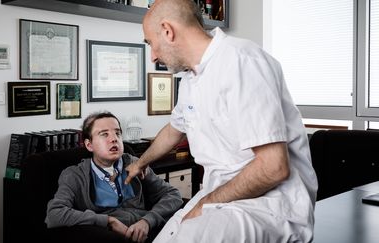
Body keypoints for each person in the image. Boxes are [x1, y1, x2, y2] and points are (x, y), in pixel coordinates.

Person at [125, 0, 318, 242]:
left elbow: (273, 168)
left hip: (270, 205)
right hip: (221, 196)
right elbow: (175, 130)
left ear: (167, 31)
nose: (153, 56)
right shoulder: (189, 80)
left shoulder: (242, 61)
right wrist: (140, 163)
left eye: (151, 44)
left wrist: (205, 203)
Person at [45, 111, 183, 243]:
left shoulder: (134, 163)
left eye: (117, 133)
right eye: (104, 134)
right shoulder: (74, 175)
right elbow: (54, 214)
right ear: (89, 145)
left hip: (150, 233)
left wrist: (148, 221)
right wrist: (108, 221)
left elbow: (173, 195)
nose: (114, 139)